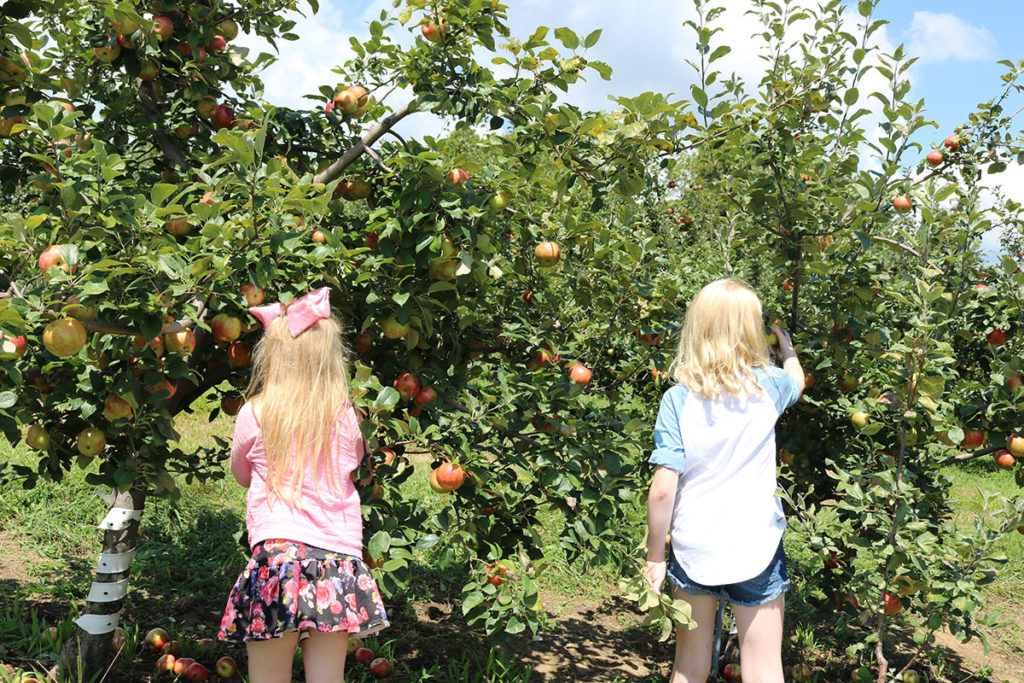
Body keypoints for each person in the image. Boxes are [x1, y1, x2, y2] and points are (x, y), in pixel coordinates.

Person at [217, 287, 388, 683]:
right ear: (332, 358)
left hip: (276, 560)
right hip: (336, 563)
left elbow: (242, 474)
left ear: (272, 356)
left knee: (268, 677)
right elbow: (358, 467)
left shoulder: (254, 414)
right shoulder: (349, 417)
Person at [643, 278, 804, 683]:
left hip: (694, 544)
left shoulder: (678, 399)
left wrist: (655, 557)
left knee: (689, 666)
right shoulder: (771, 386)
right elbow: (797, 381)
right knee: (764, 668)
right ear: (753, 329)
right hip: (755, 545)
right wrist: (788, 351)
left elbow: (664, 486)